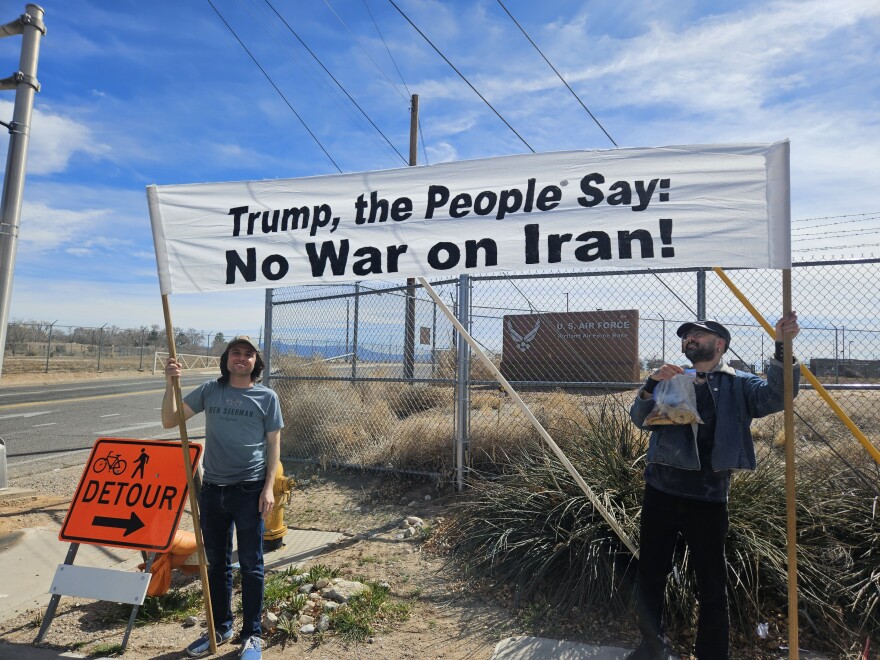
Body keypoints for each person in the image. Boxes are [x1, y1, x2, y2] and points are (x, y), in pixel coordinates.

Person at [628, 314, 800, 660]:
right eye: (686, 335)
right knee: (650, 575)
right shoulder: (671, 378)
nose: (689, 338)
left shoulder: (739, 384)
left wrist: (783, 347)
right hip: (661, 489)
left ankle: (711, 654)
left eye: (697, 335)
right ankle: (651, 647)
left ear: (719, 345)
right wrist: (649, 385)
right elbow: (639, 418)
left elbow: (778, 395)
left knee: (711, 584)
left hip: (708, 497)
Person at [162, 335, 283, 660]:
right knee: (216, 564)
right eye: (235, 353)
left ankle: (252, 635)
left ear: (256, 362)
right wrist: (169, 381)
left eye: (247, 354)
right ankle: (221, 628)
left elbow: (273, 445)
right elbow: (170, 419)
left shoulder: (267, 397)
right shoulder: (210, 390)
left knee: (251, 564)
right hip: (212, 492)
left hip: (250, 492)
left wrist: (269, 487)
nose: (241, 358)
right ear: (226, 359)